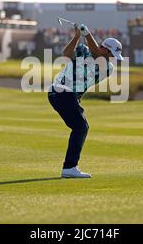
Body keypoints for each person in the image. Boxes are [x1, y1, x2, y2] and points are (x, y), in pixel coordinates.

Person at [48, 23, 124, 178]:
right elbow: (66, 54)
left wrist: (87, 34)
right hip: (62, 92)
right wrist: (77, 37)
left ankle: (70, 167)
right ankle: (69, 167)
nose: (112, 59)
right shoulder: (83, 49)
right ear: (105, 48)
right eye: (111, 55)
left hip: (63, 95)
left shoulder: (108, 68)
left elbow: (96, 53)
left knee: (80, 127)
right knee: (81, 127)